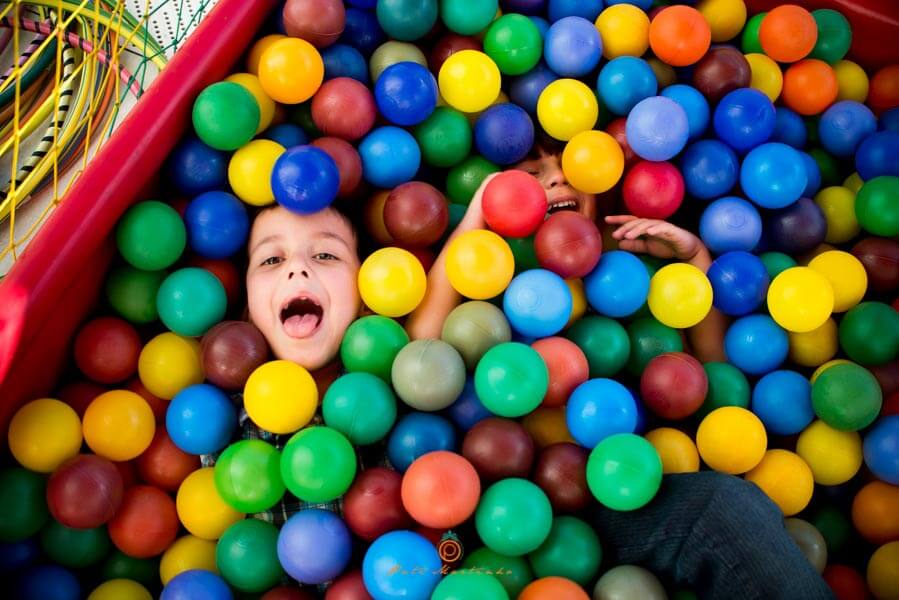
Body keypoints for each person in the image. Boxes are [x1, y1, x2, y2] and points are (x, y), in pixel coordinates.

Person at [407, 132, 832, 599]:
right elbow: (419, 353)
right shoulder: (488, 285)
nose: (558, 178)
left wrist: (692, 259)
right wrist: (475, 219)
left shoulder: (626, 270)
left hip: (627, 490)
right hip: (509, 513)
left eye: (571, 165)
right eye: (533, 175)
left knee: (723, 507)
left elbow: (714, 376)